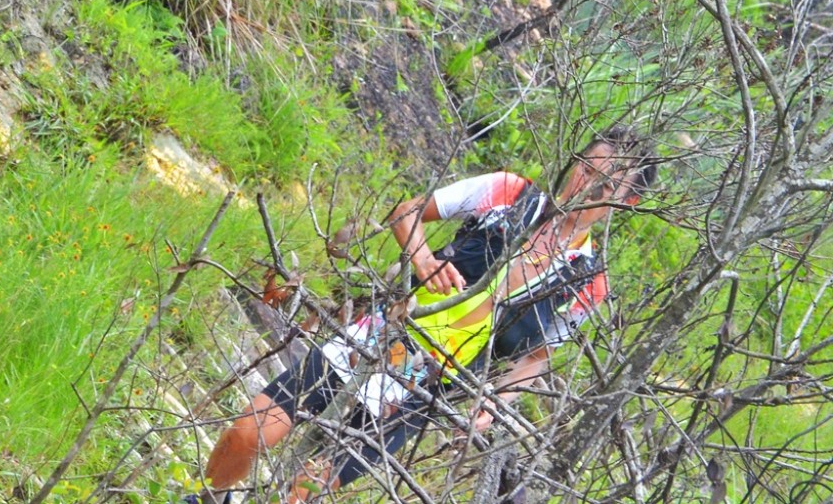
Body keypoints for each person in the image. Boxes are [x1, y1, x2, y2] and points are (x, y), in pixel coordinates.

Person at [186, 132, 658, 503]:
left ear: (628, 202)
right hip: (378, 337)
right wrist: (424, 261)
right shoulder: (510, 193)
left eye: (606, 185)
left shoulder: (588, 281)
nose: (586, 186)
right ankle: (209, 498)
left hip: (426, 390)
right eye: (586, 168)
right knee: (248, 432)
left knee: (307, 489)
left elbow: (537, 356)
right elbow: (407, 213)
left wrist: (494, 402)